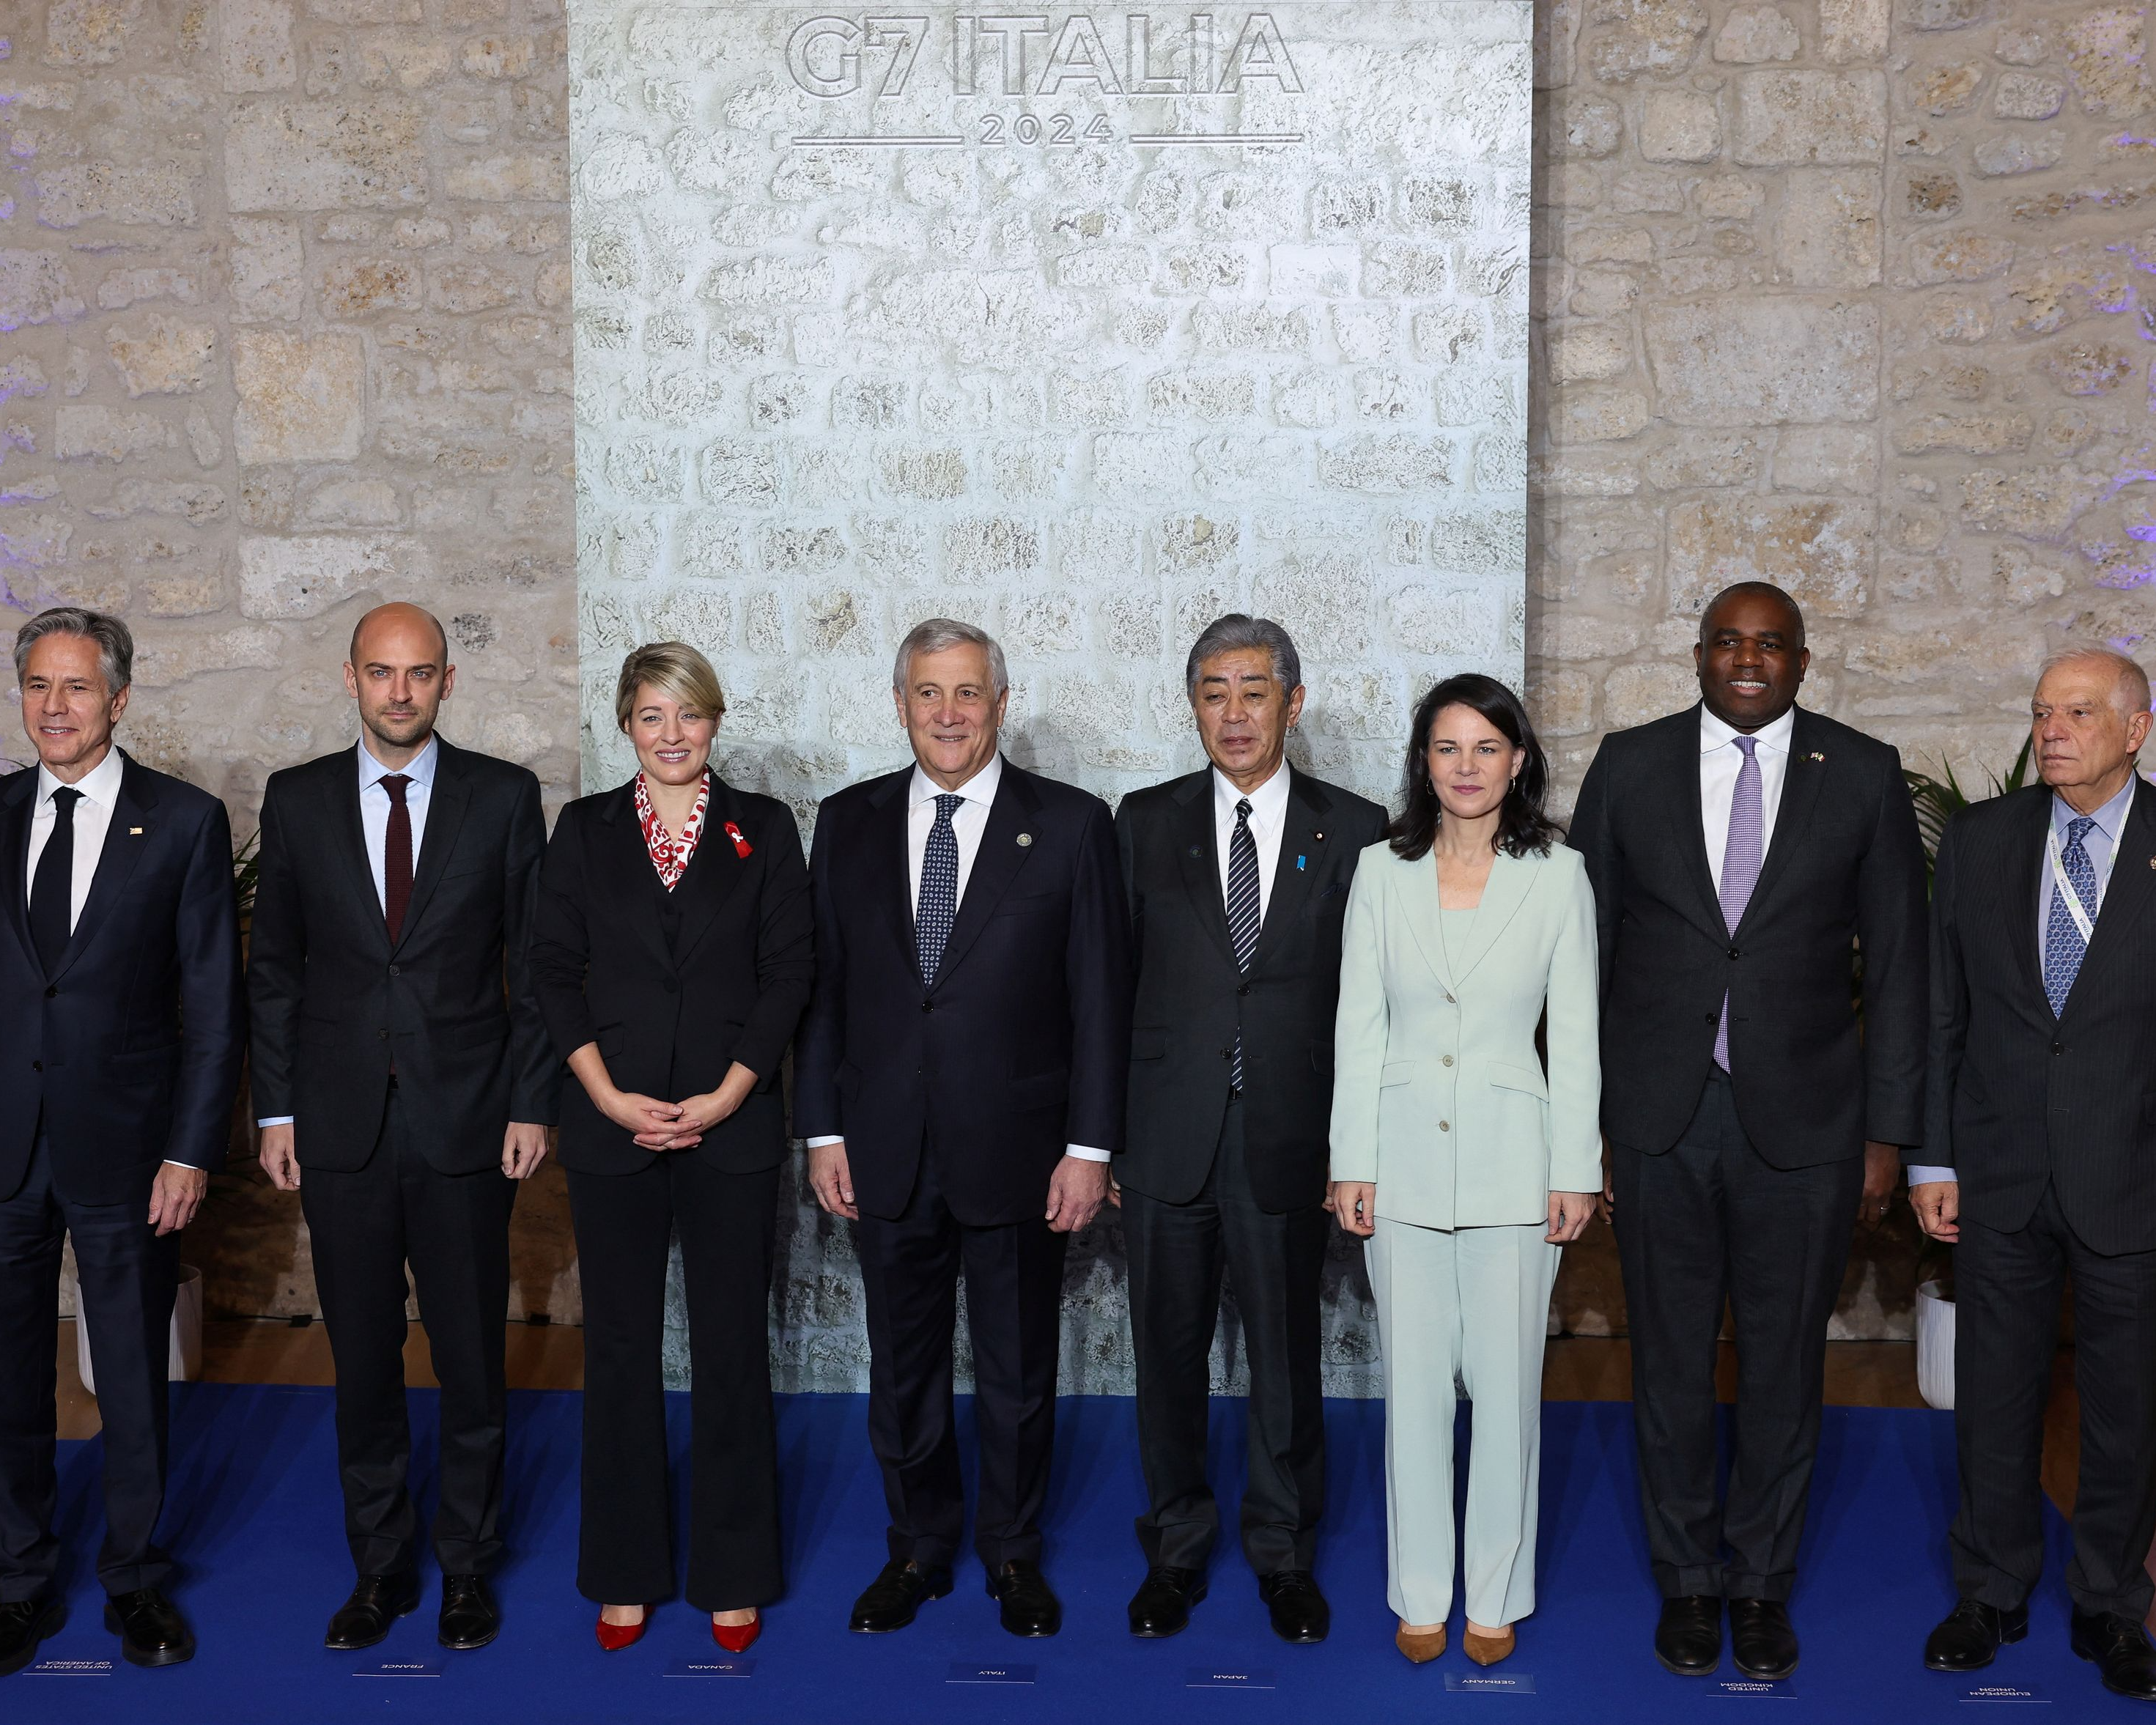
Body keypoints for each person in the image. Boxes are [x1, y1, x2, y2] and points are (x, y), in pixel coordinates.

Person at [1568, 581, 1927, 1681]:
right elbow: (1575, 952)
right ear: (1696, 654)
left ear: (1802, 662)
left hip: (1808, 1126)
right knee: (1668, 1358)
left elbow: (1903, 964)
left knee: (1782, 1364)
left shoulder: (1859, 773)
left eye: (1769, 644)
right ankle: (1685, 1580)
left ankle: (1760, 1582)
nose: (1746, 659)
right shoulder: (1628, 765)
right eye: (1727, 640)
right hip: (1657, 1119)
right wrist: (1580, 1126)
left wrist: (1885, 1131)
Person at [797, 618, 1131, 1639]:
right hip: (883, 1145)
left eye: (968, 693)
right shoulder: (845, 821)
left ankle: (1013, 1553)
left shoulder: (1072, 824)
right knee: (901, 1370)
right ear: (899, 703)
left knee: (1020, 1369)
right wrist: (821, 1131)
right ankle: (918, 1548)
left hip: (1021, 1153)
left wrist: (1088, 1147)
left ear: (1000, 701)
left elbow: (1099, 999)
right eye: (929, 693)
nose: (949, 713)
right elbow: (824, 995)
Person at [248, 602, 558, 1654]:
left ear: (448, 681)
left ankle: (467, 1567)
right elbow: (273, 969)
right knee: (363, 1363)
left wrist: (530, 1100)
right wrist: (276, 1108)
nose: (399, 691)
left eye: (418, 673)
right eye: (381, 672)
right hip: (340, 1127)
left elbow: (540, 969)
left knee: (473, 1358)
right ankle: (379, 1567)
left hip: (469, 1121)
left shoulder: (506, 799)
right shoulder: (293, 802)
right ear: (350, 678)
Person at [530, 643, 811, 1655]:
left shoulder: (764, 828)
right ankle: (624, 1567)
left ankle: (732, 1569)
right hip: (615, 1130)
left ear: (714, 721)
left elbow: (789, 972)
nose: (672, 733)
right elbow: (553, 969)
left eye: (688, 714)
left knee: (733, 1349)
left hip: (728, 1128)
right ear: (625, 725)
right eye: (652, 715)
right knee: (618, 1351)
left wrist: (728, 1094)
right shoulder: (584, 829)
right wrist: (605, 1095)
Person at [1112, 615, 1385, 1645]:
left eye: (1254, 690)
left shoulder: (1356, 828)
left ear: (1293, 703)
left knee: (1284, 1358)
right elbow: (1108, 987)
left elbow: (1375, 1004)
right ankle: (1174, 1552)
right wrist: (1104, 1140)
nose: (1234, 711)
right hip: (1165, 1136)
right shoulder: (1140, 821)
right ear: (1193, 706)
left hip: (1289, 1134)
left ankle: (1284, 1556)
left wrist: (1359, 1145)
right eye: (1213, 691)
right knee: (1166, 1358)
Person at [1329, 673, 1598, 1668]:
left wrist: (1574, 1167)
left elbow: (1573, 1034)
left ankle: (1495, 1589)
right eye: (1447, 748)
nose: (1467, 767)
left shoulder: (1557, 875)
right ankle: (1419, 1590)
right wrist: (1349, 1156)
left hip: (1514, 1168)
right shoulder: (1378, 871)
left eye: (1487, 748)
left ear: (1518, 760)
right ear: (1423, 762)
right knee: (1412, 1391)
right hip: (1397, 1164)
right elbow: (1358, 1024)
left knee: (1505, 1390)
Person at [0, 609, 244, 1675]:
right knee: (9, 1380)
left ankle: (135, 1579)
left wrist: (190, 1150)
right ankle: (17, 1577)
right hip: (5, 1150)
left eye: (77, 688)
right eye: (37, 687)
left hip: (131, 1154)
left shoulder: (183, 822)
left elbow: (213, 1005)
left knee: (133, 1376)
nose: (54, 708)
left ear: (121, 698)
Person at [1913, 648, 2156, 1702]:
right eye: (2042, 711)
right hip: (1998, 1172)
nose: (2051, 729)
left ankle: (2107, 1601)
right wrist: (1931, 1153)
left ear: (2135, 728)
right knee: (1993, 1394)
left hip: (2131, 1177)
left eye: (2079, 711)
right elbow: (1938, 1009)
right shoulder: (1980, 839)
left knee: (2125, 1405)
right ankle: (1989, 1587)